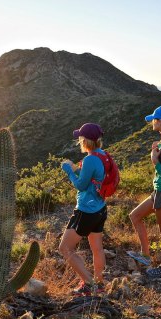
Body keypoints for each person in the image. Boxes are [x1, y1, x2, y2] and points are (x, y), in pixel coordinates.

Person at [128, 105, 161, 278]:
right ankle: (145, 255)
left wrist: (154, 161)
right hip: (158, 191)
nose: (152, 122)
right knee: (135, 216)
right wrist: (156, 151)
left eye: (154, 119)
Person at [59, 123, 108, 296]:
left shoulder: (90, 159)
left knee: (65, 248)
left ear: (86, 140)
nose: (79, 141)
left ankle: (89, 284)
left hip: (86, 210)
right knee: (97, 248)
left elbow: (80, 185)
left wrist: (69, 172)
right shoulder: (102, 155)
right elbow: (93, 176)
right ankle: (99, 283)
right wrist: (77, 168)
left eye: (80, 138)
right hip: (100, 208)